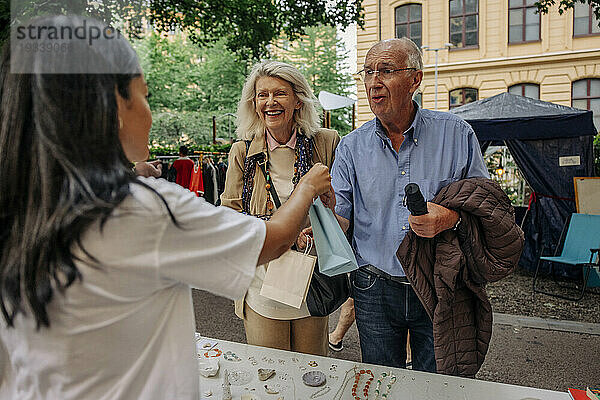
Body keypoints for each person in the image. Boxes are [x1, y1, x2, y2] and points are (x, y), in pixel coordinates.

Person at [0, 16, 334, 400]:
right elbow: (271, 240)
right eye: (145, 95)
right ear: (112, 105)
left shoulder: (18, 208)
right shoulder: (146, 210)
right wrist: (308, 187)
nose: (151, 112)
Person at [329, 38, 492, 372]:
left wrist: (450, 217)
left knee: (438, 382)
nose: (374, 81)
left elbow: (485, 206)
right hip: (373, 287)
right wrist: (317, 212)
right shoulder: (350, 147)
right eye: (368, 72)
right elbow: (340, 219)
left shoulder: (457, 134)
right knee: (379, 381)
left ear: (415, 79)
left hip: (439, 284)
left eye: (386, 71)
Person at [220, 60, 340, 356]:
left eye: (280, 94)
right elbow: (230, 216)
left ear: (298, 99)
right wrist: (279, 234)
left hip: (311, 278)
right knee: (270, 375)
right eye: (262, 95)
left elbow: (345, 205)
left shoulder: (326, 142)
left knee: (313, 373)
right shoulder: (243, 150)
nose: (270, 102)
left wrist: (326, 223)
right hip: (262, 282)